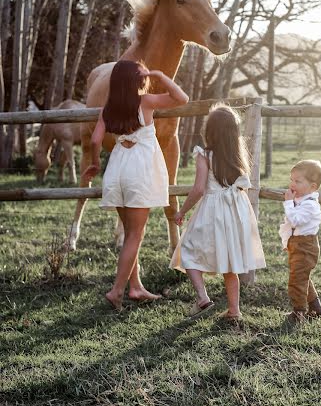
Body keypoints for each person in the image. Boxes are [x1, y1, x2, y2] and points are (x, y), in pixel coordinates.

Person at [83, 60, 189, 311]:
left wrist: (96, 164)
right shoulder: (146, 102)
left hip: (117, 169)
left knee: (131, 233)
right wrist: (161, 74)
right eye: (143, 75)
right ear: (137, 80)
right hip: (138, 171)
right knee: (135, 235)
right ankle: (116, 291)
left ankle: (135, 287)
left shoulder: (108, 108)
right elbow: (181, 98)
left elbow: (96, 139)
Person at [170, 104, 266, 320]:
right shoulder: (238, 154)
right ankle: (234, 311)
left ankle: (203, 297)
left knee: (187, 249)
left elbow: (198, 189)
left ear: (209, 130)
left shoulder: (204, 154)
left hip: (213, 209)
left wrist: (182, 210)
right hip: (236, 209)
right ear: (234, 131)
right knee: (230, 261)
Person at [279, 159, 321, 323]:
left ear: (312, 187)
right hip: (298, 245)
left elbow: (295, 220)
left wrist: (287, 203)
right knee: (302, 277)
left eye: (297, 181)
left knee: (296, 280)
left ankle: (299, 312)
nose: (292, 184)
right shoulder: (301, 200)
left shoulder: (310, 205)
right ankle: (316, 307)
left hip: (306, 246)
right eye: (291, 180)